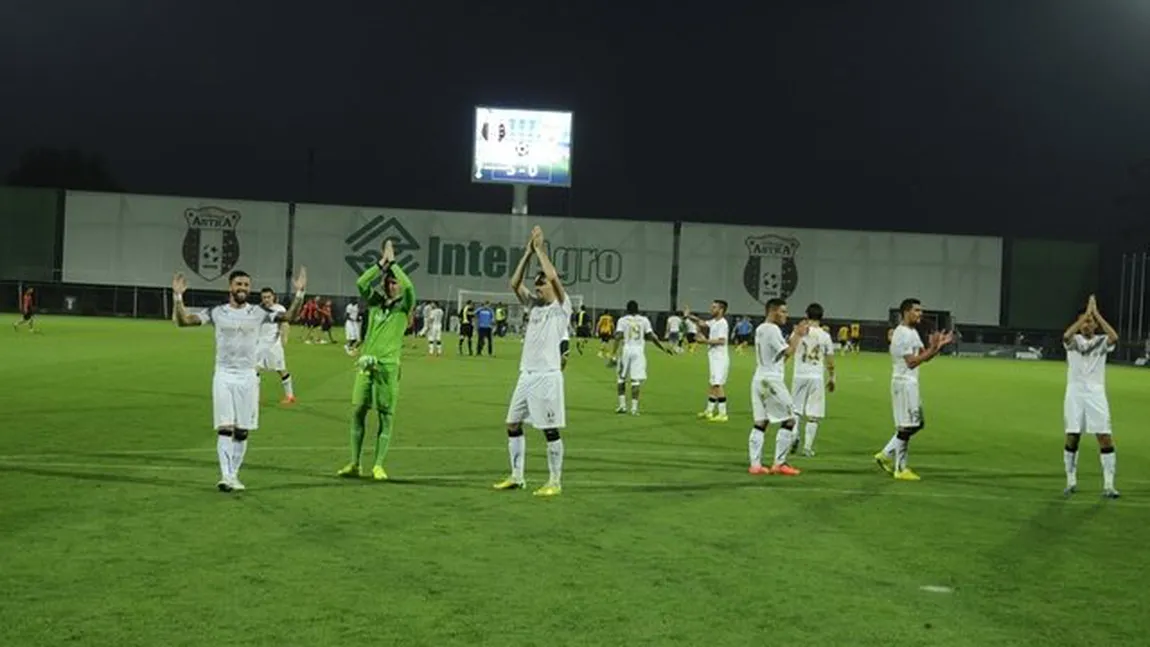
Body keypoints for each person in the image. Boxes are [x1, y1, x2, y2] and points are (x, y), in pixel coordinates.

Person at [172, 267, 307, 492]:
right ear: (230, 287)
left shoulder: (258, 312)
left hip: (248, 376)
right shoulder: (217, 312)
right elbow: (185, 321)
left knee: (242, 430)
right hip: (224, 374)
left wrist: (300, 293)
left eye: (246, 285)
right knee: (225, 427)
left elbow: (290, 317)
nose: (242, 288)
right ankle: (225, 476)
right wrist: (178, 297)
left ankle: (233, 474)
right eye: (238, 284)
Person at [494, 226, 570, 497]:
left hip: (547, 377)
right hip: (526, 376)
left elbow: (552, 274)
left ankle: (555, 481)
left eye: (541, 283)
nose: (537, 286)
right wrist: (527, 252)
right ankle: (517, 476)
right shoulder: (533, 306)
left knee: (549, 429)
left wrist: (541, 250)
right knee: (512, 424)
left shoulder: (562, 307)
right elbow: (514, 284)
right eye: (536, 283)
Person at [338, 239, 415, 481]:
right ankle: (354, 463)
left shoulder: (404, 307)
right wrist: (381, 264)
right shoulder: (374, 303)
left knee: (385, 416)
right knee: (358, 412)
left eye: (395, 282)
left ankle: (379, 465)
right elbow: (361, 282)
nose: (392, 285)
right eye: (389, 282)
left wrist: (395, 264)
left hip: (388, 368)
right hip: (365, 365)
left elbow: (410, 287)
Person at [874, 298, 954, 481]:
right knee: (908, 426)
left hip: (910, 382)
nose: (920, 314)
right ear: (906, 312)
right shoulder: (902, 333)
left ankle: (886, 454)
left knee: (915, 424)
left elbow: (923, 357)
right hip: (903, 382)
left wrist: (937, 347)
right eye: (917, 310)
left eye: (921, 310)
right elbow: (911, 362)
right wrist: (932, 348)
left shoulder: (912, 332)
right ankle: (899, 467)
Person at [1062, 295, 1120, 499]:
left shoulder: (1101, 341)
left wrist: (1096, 314)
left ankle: (1109, 484)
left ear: (1095, 325)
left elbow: (1114, 337)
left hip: (1096, 393)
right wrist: (1085, 315)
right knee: (1073, 435)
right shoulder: (1074, 341)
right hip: (1075, 392)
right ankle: (1071, 480)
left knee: (1104, 436)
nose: (1086, 324)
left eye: (1089, 321)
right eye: (1084, 321)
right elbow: (1066, 335)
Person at [748, 298, 808, 476]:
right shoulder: (773, 329)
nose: (786, 315)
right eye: (783, 311)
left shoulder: (760, 328)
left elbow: (780, 356)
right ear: (773, 311)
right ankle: (780, 463)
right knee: (790, 419)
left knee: (761, 422)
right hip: (771, 380)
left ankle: (755, 465)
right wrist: (798, 335)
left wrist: (792, 337)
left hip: (759, 378)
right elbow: (789, 352)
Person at [608, 300, 674, 415]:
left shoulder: (622, 320)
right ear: (638, 309)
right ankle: (634, 409)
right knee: (635, 380)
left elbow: (618, 336)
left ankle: (622, 406)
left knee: (621, 378)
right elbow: (651, 336)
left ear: (627, 309)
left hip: (626, 350)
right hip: (638, 351)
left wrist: (613, 354)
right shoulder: (644, 320)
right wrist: (663, 348)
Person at [791, 303, 836, 457]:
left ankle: (794, 435)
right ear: (822, 316)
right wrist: (832, 377)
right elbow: (830, 360)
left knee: (796, 410)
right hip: (816, 376)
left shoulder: (798, 331)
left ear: (806, 314)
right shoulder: (825, 336)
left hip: (799, 374)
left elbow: (790, 348)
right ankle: (807, 448)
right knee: (814, 413)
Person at [687, 300, 730, 422]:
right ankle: (709, 410)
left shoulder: (722, 323)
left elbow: (722, 341)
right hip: (714, 357)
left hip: (720, 358)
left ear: (721, 310)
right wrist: (689, 316)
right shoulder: (714, 322)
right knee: (712, 383)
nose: (711, 309)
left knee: (717, 384)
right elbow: (702, 323)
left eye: (714, 307)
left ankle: (723, 413)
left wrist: (704, 341)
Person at [256, 288, 297, 405]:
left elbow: (285, 324)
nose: (266, 299)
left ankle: (290, 396)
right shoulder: (259, 310)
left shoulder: (279, 309)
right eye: (264, 297)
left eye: (268, 297)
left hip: (273, 344)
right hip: (260, 344)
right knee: (254, 370)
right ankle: (255, 397)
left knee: (281, 370)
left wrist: (284, 339)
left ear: (273, 297)